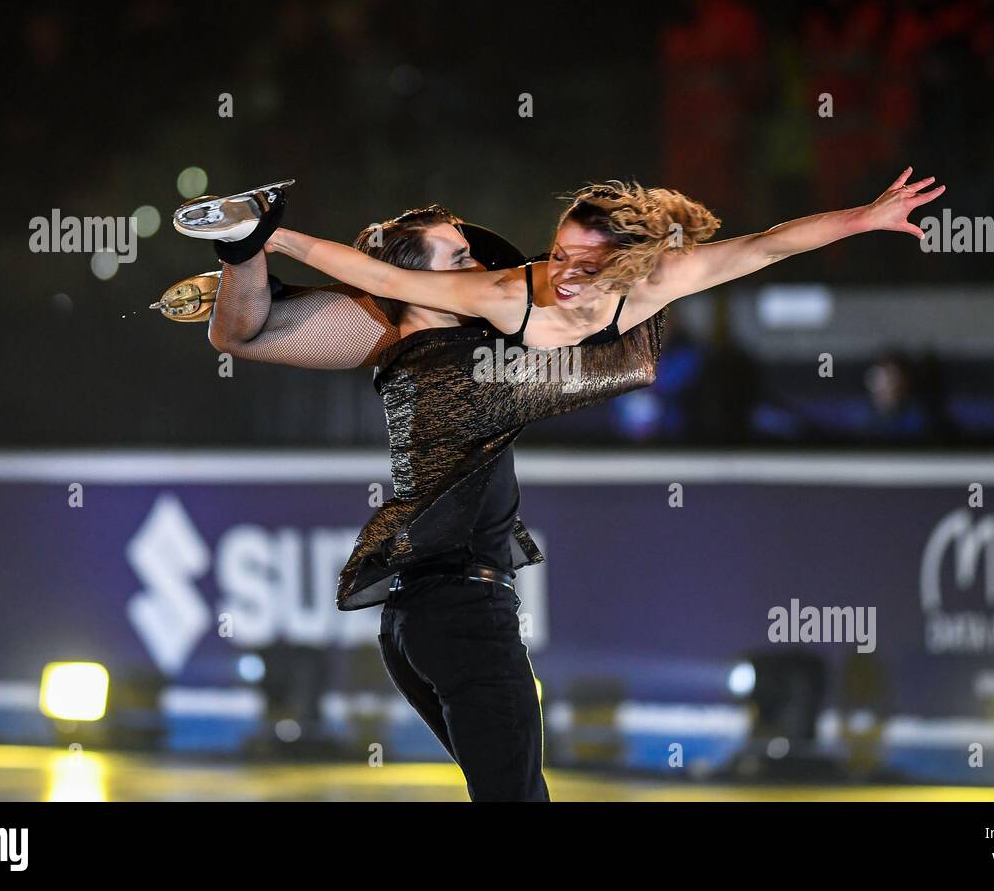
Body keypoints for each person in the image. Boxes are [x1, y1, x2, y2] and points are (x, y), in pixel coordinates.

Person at [166, 192, 666, 801]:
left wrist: (246, 250)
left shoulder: (417, 336)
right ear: (410, 282)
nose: (480, 271)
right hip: (463, 616)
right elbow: (632, 362)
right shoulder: (466, 363)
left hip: (416, 623)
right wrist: (646, 270)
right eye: (459, 261)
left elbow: (240, 332)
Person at [259, 168, 945, 350]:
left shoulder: (655, 282)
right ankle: (271, 292)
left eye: (583, 262)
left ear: (622, 269)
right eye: (560, 252)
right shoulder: (509, 292)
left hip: (592, 335)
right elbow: (385, 277)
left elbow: (768, 245)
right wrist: (273, 238)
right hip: (494, 287)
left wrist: (862, 218)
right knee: (417, 290)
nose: (565, 270)